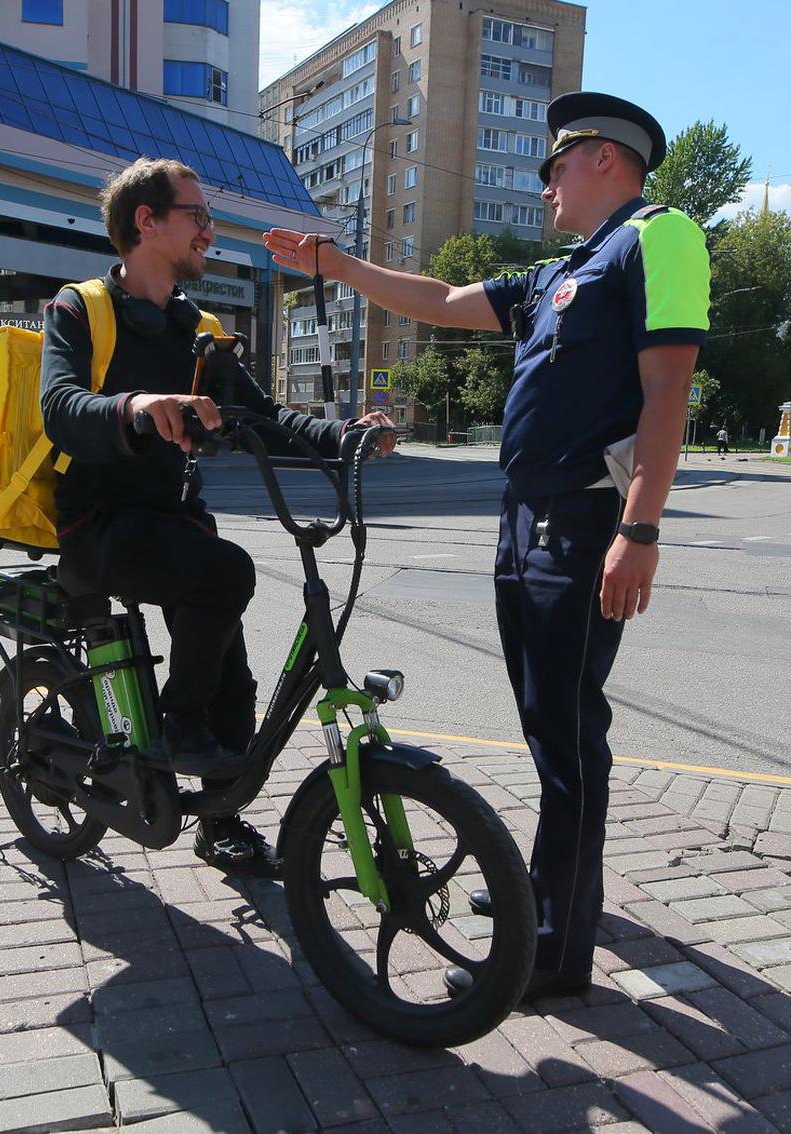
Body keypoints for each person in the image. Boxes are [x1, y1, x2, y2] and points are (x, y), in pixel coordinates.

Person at [264, 92, 710, 998]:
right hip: (525, 517)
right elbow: (436, 298)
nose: (545, 187)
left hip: (586, 523)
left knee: (569, 733)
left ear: (604, 161)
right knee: (549, 724)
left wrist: (640, 529)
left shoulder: (658, 234)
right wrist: (340, 263)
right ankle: (556, 890)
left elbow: (669, 392)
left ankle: (552, 946)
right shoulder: (558, 271)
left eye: (554, 169)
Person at [41, 157, 394, 875]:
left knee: (234, 684)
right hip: (97, 524)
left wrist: (347, 436)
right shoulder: (79, 309)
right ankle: (174, 724)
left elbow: (264, 420)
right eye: (197, 216)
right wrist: (138, 407)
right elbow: (61, 409)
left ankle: (218, 820)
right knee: (225, 573)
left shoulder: (199, 330)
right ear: (147, 221)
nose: (210, 231)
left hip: (172, 527)